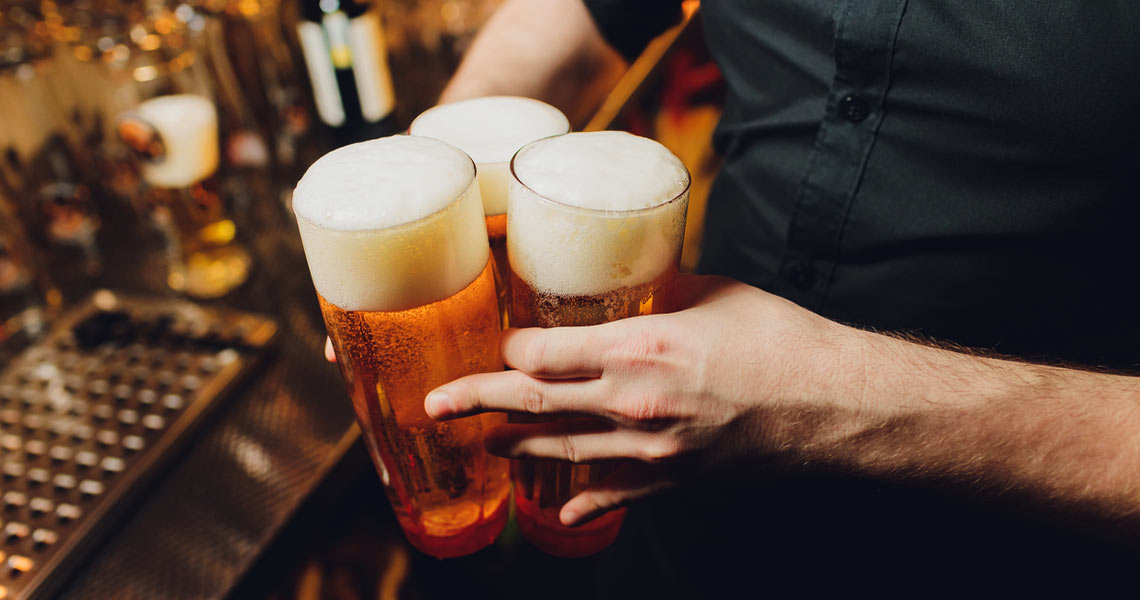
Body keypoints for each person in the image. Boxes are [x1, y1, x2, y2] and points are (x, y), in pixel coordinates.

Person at [408, 0, 1140, 593]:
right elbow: (581, 15)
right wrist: (432, 184)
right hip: (674, 505)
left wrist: (827, 395)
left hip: (1003, 553)